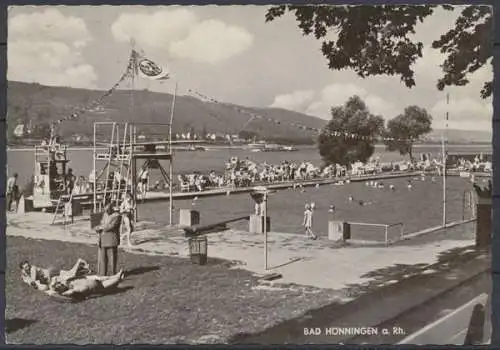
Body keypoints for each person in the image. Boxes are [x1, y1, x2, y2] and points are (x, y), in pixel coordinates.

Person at [20, 258, 91, 292]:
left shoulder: (32, 268)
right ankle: (83, 269)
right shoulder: (24, 271)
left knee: (70, 275)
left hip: (52, 273)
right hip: (49, 275)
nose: (28, 267)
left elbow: (33, 279)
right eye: (26, 267)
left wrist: (27, 280)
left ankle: (79, 261)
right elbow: (25, 277)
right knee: (70, 275)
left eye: (28, 265)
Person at [48, 269, 125, 299]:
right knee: (117, 279)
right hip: (100, 287)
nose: (60, 284)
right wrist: (53, 290)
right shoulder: (68, 291)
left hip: (93, 280)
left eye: (59, 283)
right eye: (58, 286)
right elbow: (59, 294)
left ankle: (115, 277)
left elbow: (59, 275)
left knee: (104, 278)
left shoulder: (67, 282)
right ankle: (117, 279)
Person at [96, 203, 121, 276]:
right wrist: (97, 228)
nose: (106, 211)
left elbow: (111, 226)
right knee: (103, 258)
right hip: (103, 239)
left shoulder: (116, 215)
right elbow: (101, 223)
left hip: (112, 239)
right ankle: (103, 274)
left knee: (112, 258)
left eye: (108, 210)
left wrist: (101, 228)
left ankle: (113, 273)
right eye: (105, 210)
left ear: (111, 208)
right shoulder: (104, 215)